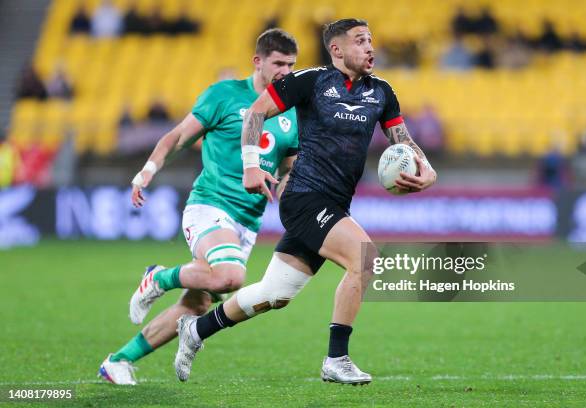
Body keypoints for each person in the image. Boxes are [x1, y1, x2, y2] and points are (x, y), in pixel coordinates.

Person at [174, 18, 437, 385]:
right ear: (337, 49)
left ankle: (197, 330)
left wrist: (428, 171)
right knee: (365, 258)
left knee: (275, 293)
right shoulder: (311, 81)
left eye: (371, 40)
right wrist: (252, 165)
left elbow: (403, 140)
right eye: (360, 41)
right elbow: (256, 112)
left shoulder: (381, 92)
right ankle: (337, 359)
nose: (370, 48)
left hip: (336, 203)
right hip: (303, 197)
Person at [98, 28, 299, 385]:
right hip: (210, 205)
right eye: (279, 63)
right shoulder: (224, 96)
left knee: (196, 306)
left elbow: (287, 169)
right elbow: (178, 136)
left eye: (291, 65)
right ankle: (159, 277)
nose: (285, 71)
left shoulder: (293, 113)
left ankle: (118, 361)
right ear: (258, 62)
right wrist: (147, 171)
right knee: (231, 277)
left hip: (247, 222)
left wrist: (289, 189)